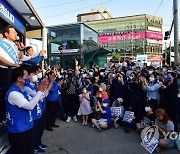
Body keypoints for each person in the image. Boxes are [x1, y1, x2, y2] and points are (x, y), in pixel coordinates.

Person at [6, 67, 47, 154]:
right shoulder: (13, 93)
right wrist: (40, 91)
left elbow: (34, 100)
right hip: (19, 131)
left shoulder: (21, 91)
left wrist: (42, 90)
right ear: (19, 78)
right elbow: (30, 106)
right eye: (26, 75)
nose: (28, 77)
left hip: (27, 127)